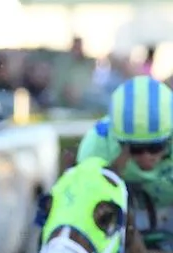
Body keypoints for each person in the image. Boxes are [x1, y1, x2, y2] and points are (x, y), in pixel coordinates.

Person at [74, 75, 173, 243]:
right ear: (119, 141)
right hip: (120, 227)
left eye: (156, 147)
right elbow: (83, 209)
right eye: (136, 149)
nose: (146, 157)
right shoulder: (97, 147)